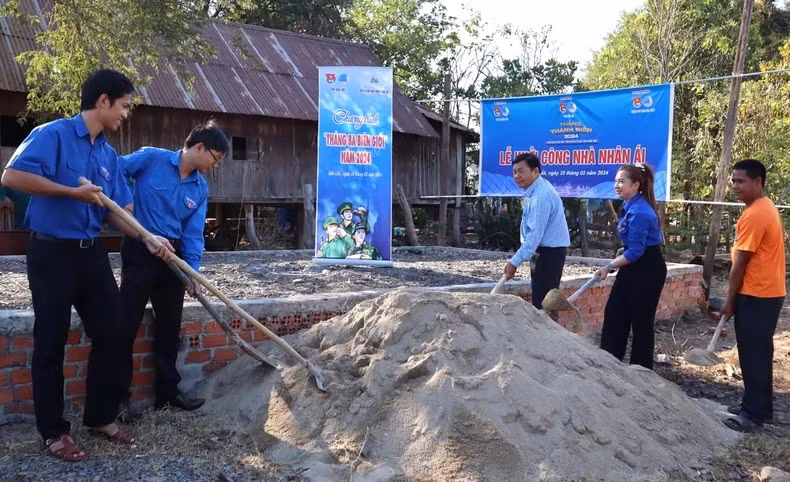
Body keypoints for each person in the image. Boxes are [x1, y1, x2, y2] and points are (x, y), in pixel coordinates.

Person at [0, 69, 172, 461]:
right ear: (102, 101)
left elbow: (119, 211)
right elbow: (12, 175)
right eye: (124, 106)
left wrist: (148, 235)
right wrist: (71, 193)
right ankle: (53, 432)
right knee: (50, 341)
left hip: (91, 253)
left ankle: (100, 416)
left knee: (113, 333)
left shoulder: (108, 154)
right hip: (51, 253)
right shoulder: (52, 135)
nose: (126, 114)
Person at [117, 120, 229, 419]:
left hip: (172, 259)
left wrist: (192, 272)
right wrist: (127, 205)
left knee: (169, 328)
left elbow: (193, 233)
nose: (215, 165)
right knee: (125, 326)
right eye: (215, 158)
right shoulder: (150, 158)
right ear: (199, 147)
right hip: (141, 249)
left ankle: (167, 394)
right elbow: (115, 170)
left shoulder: (199, 187)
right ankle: (119, 398)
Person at [719, 159, 785, 432]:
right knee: (759, 352)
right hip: (769, 292)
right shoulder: (765, 206)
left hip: (756, 294)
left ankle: (753, 414)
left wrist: (729, 301)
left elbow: (740, 263)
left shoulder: (755, 214)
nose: (735, 186)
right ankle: (758, 406)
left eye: (741, 181)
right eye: (733, 180)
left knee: (753, 355)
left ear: (758, 182)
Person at [595, 164, 666, 370]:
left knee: (641, 321)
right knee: (616, 314)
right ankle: (609, 364)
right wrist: (620, 257)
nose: (616, 185)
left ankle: (641, 371)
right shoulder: (629, 206)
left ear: (635, 185)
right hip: (632, 266)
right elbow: (632, 248)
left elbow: (636, 252)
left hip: (647, 269)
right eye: (615, 181)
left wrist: (608, 266)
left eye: (621, 181)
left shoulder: (641, 212)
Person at [504, 152, 570, 309]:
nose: (517, 176)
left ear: (536, 171)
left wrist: (514, 262)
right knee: (541, 302)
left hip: (549, 255)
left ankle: (550, 334)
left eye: (521, 171)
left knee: (545, 305)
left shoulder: (542, 195)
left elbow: (534, 236)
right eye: (514, 172)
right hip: (541, 253)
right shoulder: (534, 191)